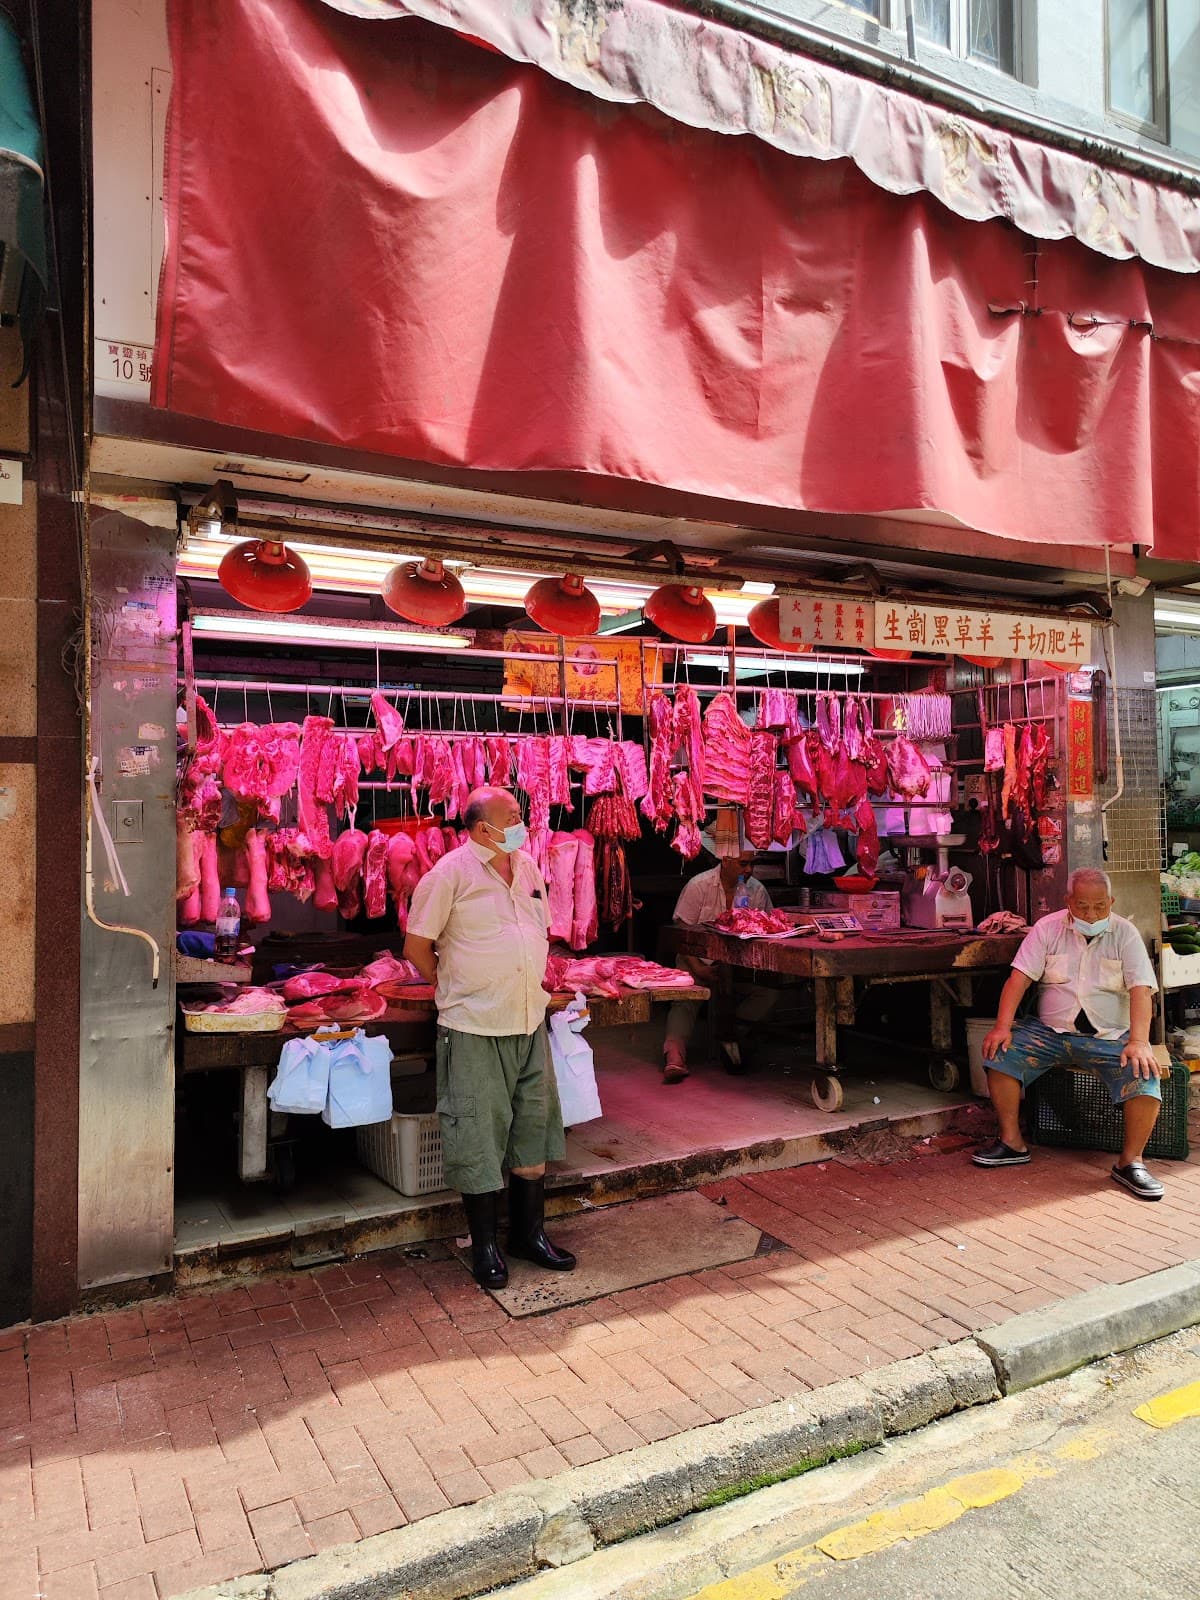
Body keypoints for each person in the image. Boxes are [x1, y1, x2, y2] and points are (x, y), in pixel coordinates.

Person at [404, 786, 577, 1287]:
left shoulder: (526, 867)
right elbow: (417, 946)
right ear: (484, 828)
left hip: (527, 1020)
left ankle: (529, 1236)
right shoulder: (449, 875)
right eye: (514, 815)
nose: (524, 821)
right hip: (474, 1025)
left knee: (532, 1129)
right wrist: (452, 983)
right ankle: (485, 1247)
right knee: (478, 1134)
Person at [973, 867, 1164, 1199]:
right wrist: (1002, 1026)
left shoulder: (1125, 933)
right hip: (1049, 1033)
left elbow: (1141, 991)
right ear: (1068, 901)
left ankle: (1130, 1162)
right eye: (1083, 906)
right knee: (1000, 1053)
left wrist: (1138, 1041)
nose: (1091, 914)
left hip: (1110, 1036)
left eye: (1100, 906)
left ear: (1111, 902)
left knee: (1145, 1076)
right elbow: (1018, 979)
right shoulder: (1047, 929)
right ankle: (1012, 1142)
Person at [662, 846, 779, 1084]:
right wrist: (697, 968)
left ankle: (731, 1034)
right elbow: (681, 934)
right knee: (685, 998)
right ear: (725, 860)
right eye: (743, 864)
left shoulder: (757, 890)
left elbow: (769, 928)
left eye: (751, 864)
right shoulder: (699, 885)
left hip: (739, 967)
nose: (749, 870)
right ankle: (674, 1056)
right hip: (696, 960)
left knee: (768, 995)